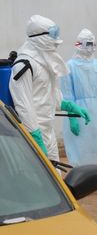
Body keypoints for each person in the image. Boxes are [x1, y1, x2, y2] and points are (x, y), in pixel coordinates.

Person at [9, 15, 90, 164]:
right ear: (39, 38)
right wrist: (35, 136)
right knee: (38, 180)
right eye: (52, 36)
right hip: (32, 134)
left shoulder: (43, 62)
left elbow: (48, 92)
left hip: (47, 130)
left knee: (55, 178)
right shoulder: (24, 65)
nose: (56, 42)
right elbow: (23, 105)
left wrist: (67, 105)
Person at [61, 28, 97, 195]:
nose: (91, 47)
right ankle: (81, 183)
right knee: (79, 146)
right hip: (77, 110)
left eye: (92, 44)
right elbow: (67, 94)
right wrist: (72, 117)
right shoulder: (69, 67)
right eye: (88, 44)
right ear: (79, 44)